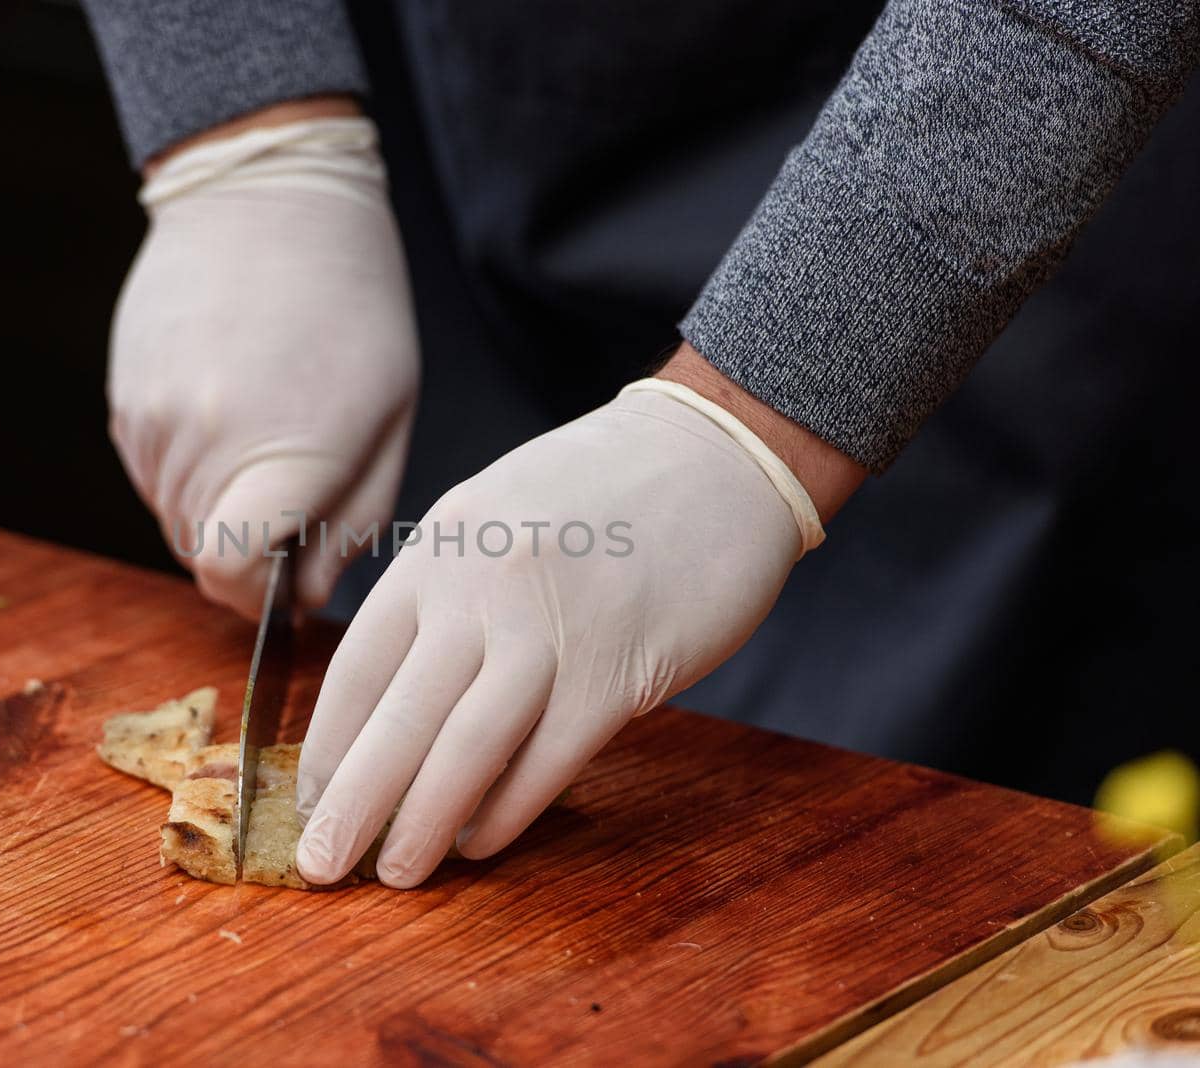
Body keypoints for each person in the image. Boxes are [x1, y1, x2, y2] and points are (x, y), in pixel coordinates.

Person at [82, 0, 1200, 888]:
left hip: (996, 181)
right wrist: (243, 137)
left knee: (892, 866)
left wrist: (754, 424)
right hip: (471, 115)